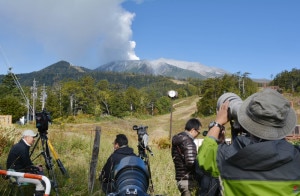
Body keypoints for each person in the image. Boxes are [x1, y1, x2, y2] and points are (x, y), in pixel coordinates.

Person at [197, 88, 300, 195]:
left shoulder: (225, 156)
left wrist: (218, 122)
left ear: (249, 121)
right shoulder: (297, 157)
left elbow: (205, 153)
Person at [6, 130, 45, 196]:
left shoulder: (21, 145)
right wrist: (36, 168)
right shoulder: (23, 148)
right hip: (17, 175)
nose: (34, 139)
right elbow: (26, 165)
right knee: (41, 181)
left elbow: (25, 162)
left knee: (40, 173)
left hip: (15, 172)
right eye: (33, 137)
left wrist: (35, 166)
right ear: (27, 137)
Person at [171, 118, 202, 196]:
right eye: (198, 132)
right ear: (193, 130)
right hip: (188, 180)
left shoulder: (178, 139)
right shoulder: (188, 141)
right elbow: (191, 162)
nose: (198, 135)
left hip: (180, 179)